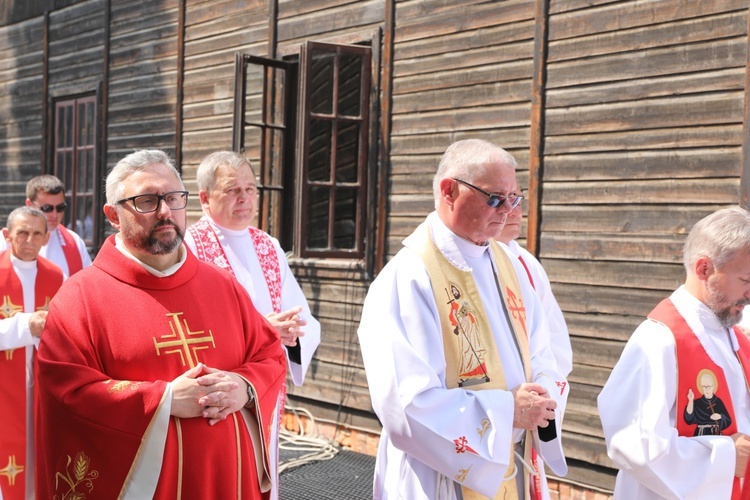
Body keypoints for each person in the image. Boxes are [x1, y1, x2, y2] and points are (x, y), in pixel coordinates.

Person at [35, 149, 287, 499]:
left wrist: (243, 386)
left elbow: (270, 354)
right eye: (147, 201)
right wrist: (163, 400)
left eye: (173, 198)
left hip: (228, 483)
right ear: (112, 214)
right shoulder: (80, 298)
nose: (166, 211)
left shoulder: (223, 286)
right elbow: (67, 392)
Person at [357, 139, 569, 499]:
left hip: (513, 459)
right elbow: (404, 403)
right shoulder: (408, 277)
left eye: (513, 199)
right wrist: (506, 413)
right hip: (438, 476)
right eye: (494, 198)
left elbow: (543, 351)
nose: (506, 211)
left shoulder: (511, 267)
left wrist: (541, 393)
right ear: (449, 191)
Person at [184, 150, 321, 499]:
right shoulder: (189, 246)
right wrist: (263, 328)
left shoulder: (267, 245)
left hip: (263, 388)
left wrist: (292, 334)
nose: (244, 199)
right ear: (204, 198)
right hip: (218, 388)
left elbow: (299, 311)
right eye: (232, 190)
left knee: (261, 478)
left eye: (250, 189)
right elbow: (189, 320)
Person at [597, 206, 750, 499]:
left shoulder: (735, 339)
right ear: (704, 268)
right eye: (746, 281)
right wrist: (726, 457)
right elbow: (632, 443)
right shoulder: (659, 339)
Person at [0, 207, 63, 500]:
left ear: (46, 237)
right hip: (4, 389)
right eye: (22, 232)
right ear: (6, 234)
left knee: (38, 461)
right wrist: (27, 324)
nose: (29, 239)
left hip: (41, 384)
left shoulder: (55, 275)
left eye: (37, 233)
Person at [496, 180, 572, 376]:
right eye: (500, 201)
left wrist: (548, 387)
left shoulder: (529, 264)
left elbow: (555, 338)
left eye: (517, 202)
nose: (514, 212)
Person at [0, 175, 92, 279]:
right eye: (47, 208)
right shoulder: (4, 242)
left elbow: (87, 284)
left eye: (60, 208)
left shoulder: (75, 242)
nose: (54, 214)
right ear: (29, 204)